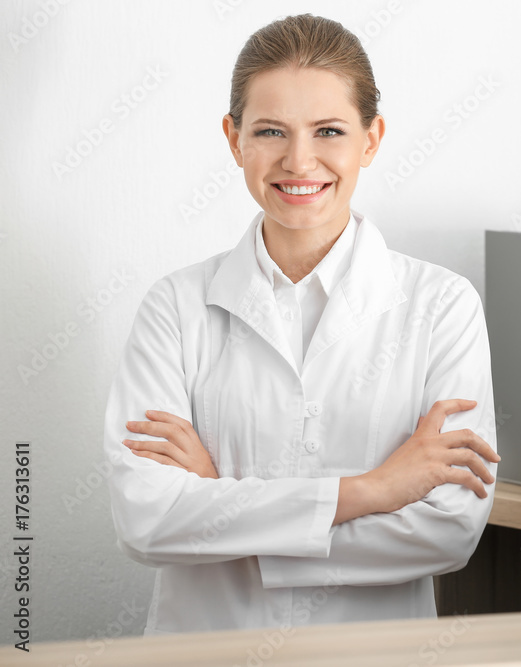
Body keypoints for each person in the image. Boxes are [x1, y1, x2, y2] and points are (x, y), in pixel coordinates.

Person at [103, 13, 499, 635]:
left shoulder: (442, 306)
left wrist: (218, 500)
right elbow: (146, 520)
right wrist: (372, 490)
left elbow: (446, 532)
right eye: (270, 131)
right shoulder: (175, 307)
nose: (299, 160)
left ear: (371, 139)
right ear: (234, 139)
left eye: (329, 131)